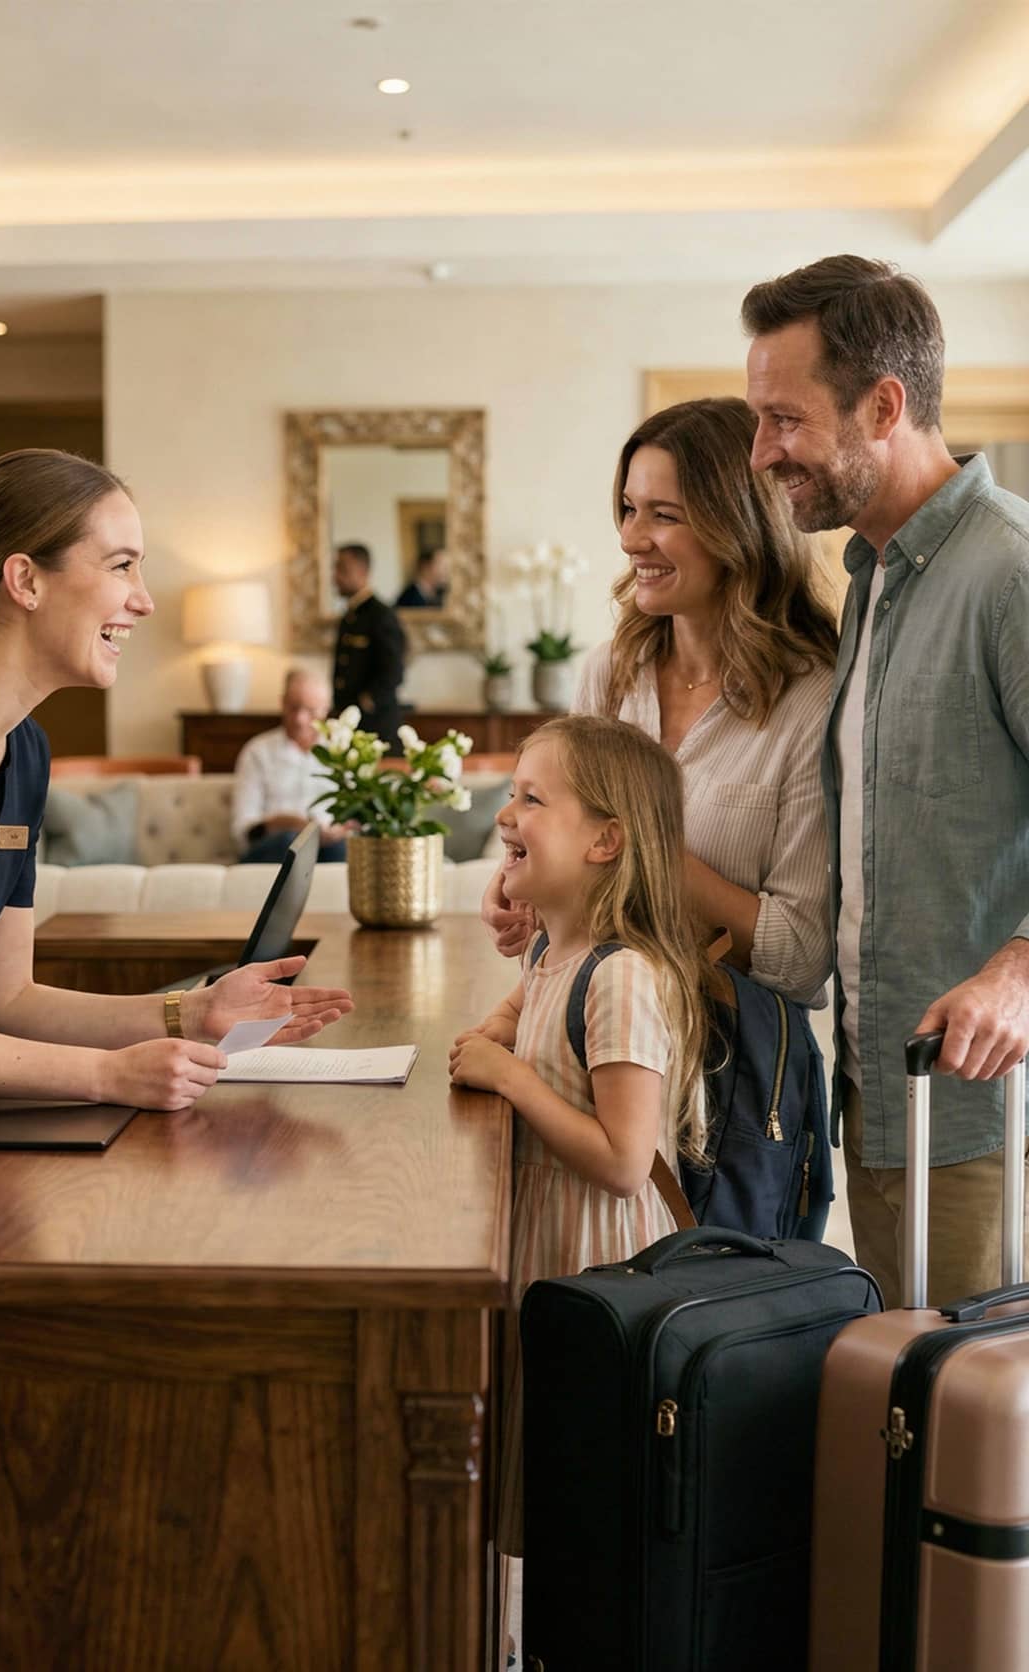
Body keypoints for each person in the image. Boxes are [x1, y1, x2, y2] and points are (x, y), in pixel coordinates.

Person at [0, 449, 353, 1121]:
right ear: (25, 580)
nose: (142, 599)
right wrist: (110, 1075)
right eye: (121, 565)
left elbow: (6, 999)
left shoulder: (24, 747)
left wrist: (192, 1013)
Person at [742, 254, 1029, 1307]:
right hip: (879, 1099)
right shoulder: (869, 582)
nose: (763, 452)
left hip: (982, 1120)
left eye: (784, 419)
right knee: (903, 1418)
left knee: (970, 1447)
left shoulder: (1010, 572)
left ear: (885, 404)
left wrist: (1021, 972)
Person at [450, 714, 708, 1563]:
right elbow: (490, 1037)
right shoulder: (555, 957)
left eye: (531, 799)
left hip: (601, 1262)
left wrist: (513, 1078)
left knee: (583, 1485)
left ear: (606, 841)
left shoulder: (621, 976)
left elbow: (625, 1162)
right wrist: (496, 1043)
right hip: (551, 1248)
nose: (503, 816)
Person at [484, 397, 838, 1007]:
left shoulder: (813, 700)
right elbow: (574, 867)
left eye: (663, 515)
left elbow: (802, 956)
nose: (629, 539)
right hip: (585, 1043)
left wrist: (638, 847)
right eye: (628, 509)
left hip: (731, 1076)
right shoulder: (610, 674)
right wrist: (526, 880)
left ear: (738, 527)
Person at [231, 667, 349, 864]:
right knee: (292, 841)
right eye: (293, 707)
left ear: (325, 709)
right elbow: (243, 829)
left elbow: (356, 818)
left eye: (310, 711)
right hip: (273, 847)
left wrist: (340, 830)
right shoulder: (257, 752)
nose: (300, 719)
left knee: (340, 847)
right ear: (282, 702)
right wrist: (295, 825)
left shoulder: (340, 754)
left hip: (329, 847)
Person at [331, 542, 405, 748]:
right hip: (351, 724)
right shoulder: (350, 616)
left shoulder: (381, 615)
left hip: (375, 726)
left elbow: (394, 671)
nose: (335, 576)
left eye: (342, 569)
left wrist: (367, 701)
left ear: (363, 571)